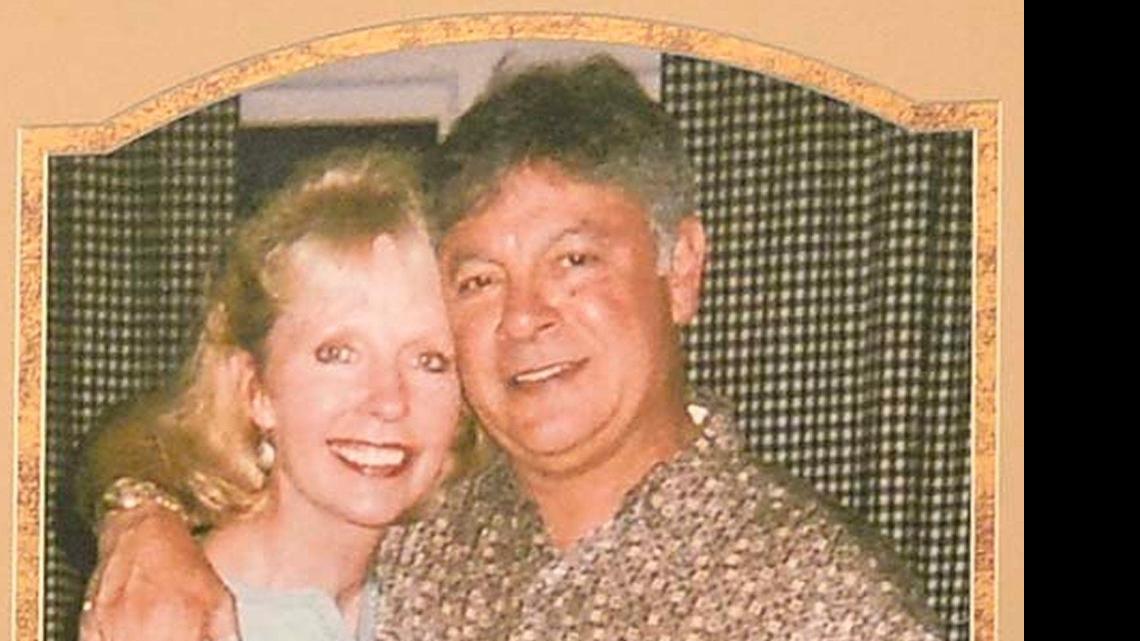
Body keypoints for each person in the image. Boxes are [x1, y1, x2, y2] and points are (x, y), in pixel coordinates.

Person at [78, 56, 944, 641]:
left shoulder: (822, 601)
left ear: (680, 270)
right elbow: (155, 431)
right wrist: (140, 516)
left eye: (574, 261)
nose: (525, 317)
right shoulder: (428, 525)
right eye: (481, 279)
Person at [75, 148, 465, 641]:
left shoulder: (450, 597)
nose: (389, 400)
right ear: (255, 388)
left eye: (429, 360)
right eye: (338, 354)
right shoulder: (168, 618)